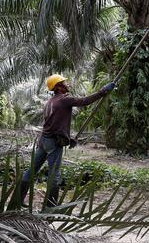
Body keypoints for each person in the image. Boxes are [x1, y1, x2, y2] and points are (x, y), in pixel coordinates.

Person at [19, 74, 115, 208]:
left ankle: (18, 200)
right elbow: (85, 101)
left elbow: (54, 124)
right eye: (64, 83)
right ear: (58, 87)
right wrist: (102, 91)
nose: (67, 84)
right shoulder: (64, 100)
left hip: (44, 140)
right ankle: (51, 208)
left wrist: (68, 139)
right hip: (53, 143)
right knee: (54, 176)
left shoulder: (50, 102)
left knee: (32, 170)